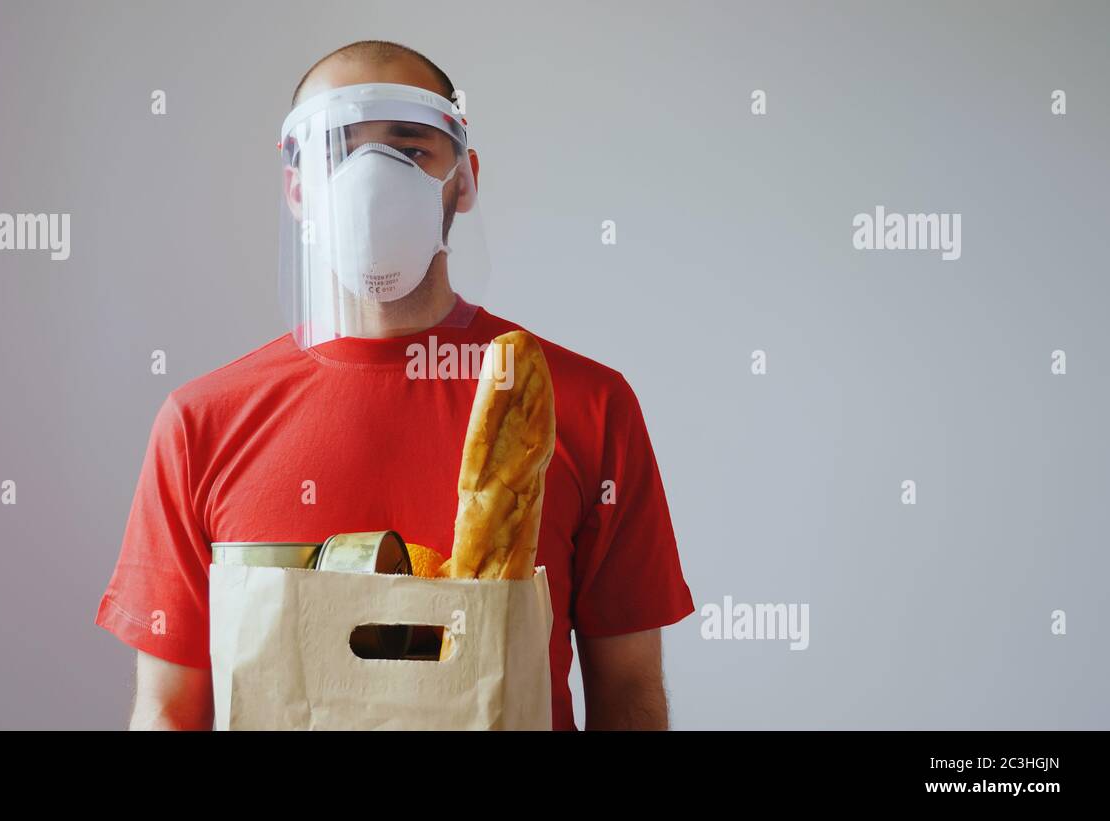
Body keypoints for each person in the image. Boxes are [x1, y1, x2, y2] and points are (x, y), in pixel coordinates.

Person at [95, 39, 695, 730]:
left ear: (464, 180)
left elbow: (630, 698)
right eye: (337, 152)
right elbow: (169, 712)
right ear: (297, 190)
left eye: (410, 151)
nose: (369, 179)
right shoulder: (202, 423)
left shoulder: (580, 406)